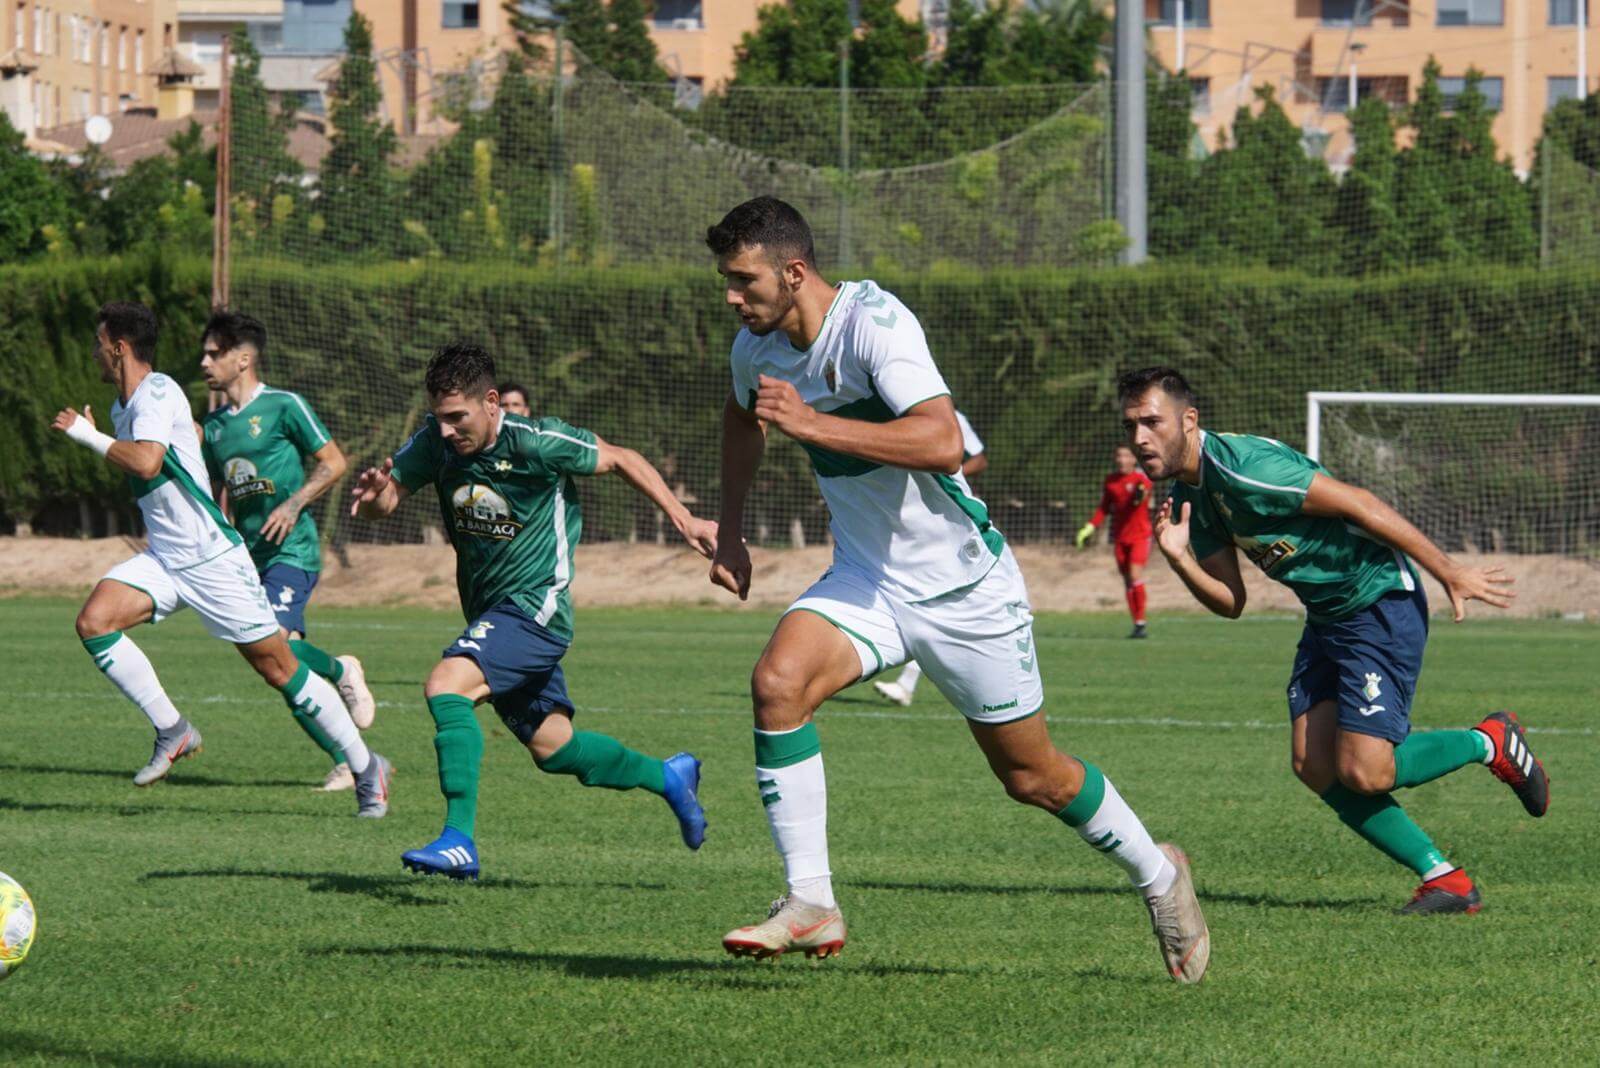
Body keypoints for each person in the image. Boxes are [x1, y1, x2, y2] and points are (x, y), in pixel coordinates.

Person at [704, 197, 1208, 981]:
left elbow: (943, 441)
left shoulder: (876, 323)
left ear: (793, 272)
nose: (733, 298)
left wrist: (811, 425)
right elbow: (743, 421)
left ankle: (1159, 873)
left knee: (1031, 776)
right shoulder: (754, 349)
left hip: (964, 586)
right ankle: (811, 902)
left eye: (743, 281)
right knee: (777, 683)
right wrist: (731, 527)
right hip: (866, 580)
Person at [1121, 366, 1548, 915]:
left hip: (1377, 603)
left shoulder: (1249, 469)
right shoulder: (1192, 495)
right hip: (1326, 618)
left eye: (1152, 422)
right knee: (1313, 764)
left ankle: (1489, 741)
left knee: (1367, 771)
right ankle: (1447, 881)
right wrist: (1178, 558)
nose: (1139, 439)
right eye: (1131, 425)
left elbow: (1359, 502)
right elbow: (1231, 602)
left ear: (1189, 419)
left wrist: (1449, 571)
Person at [350, 343, 713, 880]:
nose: (447, 430)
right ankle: (669, 777)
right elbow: (386, 504)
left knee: (447, 685)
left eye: (458, 417)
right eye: (439, 418)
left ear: (491, 402)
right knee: (554, 748)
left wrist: (685, 520)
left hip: (536, 608)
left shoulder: (537, 441)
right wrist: (379, 493)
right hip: (490, 614)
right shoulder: (436, 443)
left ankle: (458, 839)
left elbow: (622, 458)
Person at [52, 301, 392, 815]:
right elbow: (152, 470)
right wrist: (106, 437)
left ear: (119, 348)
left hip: (213, 558)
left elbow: (147, 463)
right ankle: (174, 731)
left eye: (100, 346)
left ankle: (367, 768)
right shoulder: (126, 409)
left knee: (280, 668)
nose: (95, 356)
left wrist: (88, 435)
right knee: (94, 621)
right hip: (167, 557)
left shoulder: (159, 390)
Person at [199, 310, 377, 792]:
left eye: (214, 353)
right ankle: (353, 761)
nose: (204, 362)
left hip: (291, 552)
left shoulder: (283, 406)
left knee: (277, 645)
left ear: (243, 358)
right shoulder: (213, 427)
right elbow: (221, 492)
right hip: (248, 561)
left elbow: (334, 462)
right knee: (279, 667)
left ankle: (343, 670)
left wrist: (295, 504)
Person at [874, 410, 987, 705]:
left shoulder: (952, 417)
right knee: (941, 606)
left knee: (942, 603)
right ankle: (909, 683)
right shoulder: (886, 415)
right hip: (907, 524)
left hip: (944, 522)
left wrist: (946, 472)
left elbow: (979, 459)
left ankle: (909, 683)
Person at [1076, 443, 1155, 638]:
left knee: (1135, 576)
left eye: (1126, 456)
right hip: (1120, 538)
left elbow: (1143, 493)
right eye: (1119, 456)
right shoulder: (1111, 481)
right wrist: (1090, 526)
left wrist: (1139, 495)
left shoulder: (1141, 478)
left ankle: (1142, 621)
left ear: (1134, 458)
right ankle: (1137, 624)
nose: (1122, 460)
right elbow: (1104, 508)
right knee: (1128, 581)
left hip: (1140, 536)